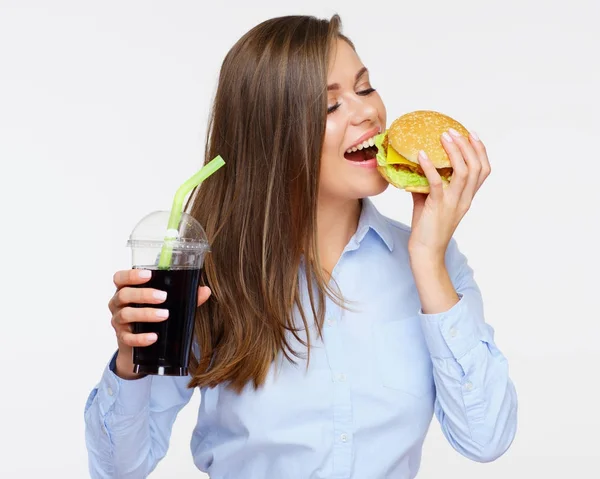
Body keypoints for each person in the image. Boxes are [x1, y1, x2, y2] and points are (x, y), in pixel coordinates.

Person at [84, 14, 517, 479]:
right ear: (273, 137)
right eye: (331, 106)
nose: (367, 112)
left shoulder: (432, 264)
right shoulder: (211, 276)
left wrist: (430, 261)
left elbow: (486, 438)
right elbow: (119, 470)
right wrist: (132, 360)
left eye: (365, 88)